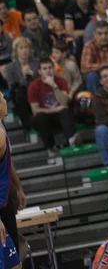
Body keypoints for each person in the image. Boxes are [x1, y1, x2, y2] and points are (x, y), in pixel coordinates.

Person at [28, 57, 77, 163]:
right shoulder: (33, 86)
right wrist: (55, 109)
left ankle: (71, 141)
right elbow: (35, 110)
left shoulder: (61, 81)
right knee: (39, 117)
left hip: (60, 116)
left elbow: (64, 102)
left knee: (65, 111)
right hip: (46, 118)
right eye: (44, 69)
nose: (48, 71)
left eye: (50, 68)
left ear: (54, 69)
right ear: (39, 71)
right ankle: (50, 149)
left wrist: (54, 86)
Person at [0, 91, 22, 269]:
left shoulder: (2, 128)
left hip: (5, 197)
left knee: (14, 263)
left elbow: (8, 162)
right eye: (1, 98)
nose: (5, 100)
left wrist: (18, 187)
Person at [6, 37, 39, 135]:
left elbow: (40, 81)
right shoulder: (10, 67)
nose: (24, 50)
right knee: (20, 92)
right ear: (16, 51)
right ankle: (28, 127)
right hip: (20, 97)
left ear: (30, 49)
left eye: (26, 47)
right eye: (21, 48)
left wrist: (32, 75)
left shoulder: (37, 63)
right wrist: (24, 77)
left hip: (36, 92)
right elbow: (12, 87)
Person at [81, 21, 108, 93]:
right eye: (100, 34)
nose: (103, 37)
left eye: (106, 33)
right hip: (98, 75)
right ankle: (97, 100)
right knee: (91, 76)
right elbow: (85, 67)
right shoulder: (89, 46)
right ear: (95, 35)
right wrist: (107, 66)